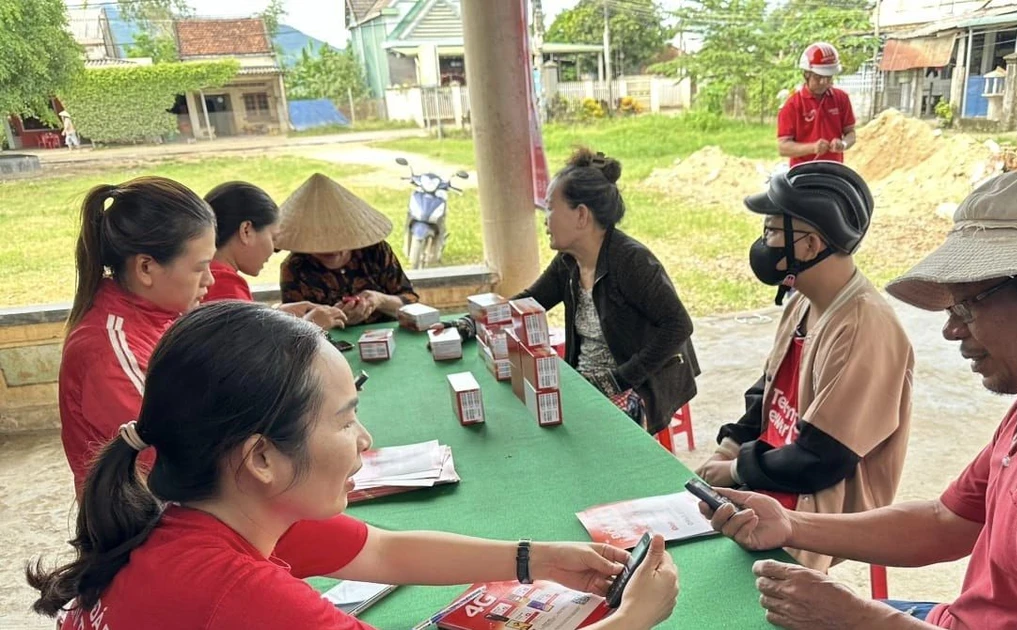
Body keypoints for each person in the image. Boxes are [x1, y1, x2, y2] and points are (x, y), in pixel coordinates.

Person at [701, 166, 1017, 629]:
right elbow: (947, 522)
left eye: (969, 304)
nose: (950, 329)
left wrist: (861, 620)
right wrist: (789, 524)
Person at [28, 301, 679, 630]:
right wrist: (629, 621)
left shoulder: (210, 506)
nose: (365, 441)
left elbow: (387, 555)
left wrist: (536, 558)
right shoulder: (233, 588)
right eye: (343, 420)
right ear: (259, 457)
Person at [694, 161, 913, 572]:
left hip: (813, 506)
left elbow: (821, 461)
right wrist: (728, 447)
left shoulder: (864, 327)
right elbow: (768, 390)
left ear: (811, 245)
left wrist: (736, 470)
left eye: (773, 231)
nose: (764, 243)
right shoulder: (802, 300)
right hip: (772, 478)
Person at [444, 148, 699, 434]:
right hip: (586, 380)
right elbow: (530, 300)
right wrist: (473, 320)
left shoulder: (631, 261)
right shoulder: (569, 262)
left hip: (637, 386)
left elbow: (679, 325)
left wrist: (619, 380)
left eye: (551, 207)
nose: (545, 219)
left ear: (581, 216)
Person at [58, 176, 216, 494]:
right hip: (148, 526)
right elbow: (171, 463)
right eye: (200, 268)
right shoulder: (108, 350)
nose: (210, 280)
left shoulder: (161, 319)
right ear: (146, 268)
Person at [277, 173, 419, 326]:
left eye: (340, 242)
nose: (333, 251)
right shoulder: (295, 268)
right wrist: (332, 318)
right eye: (321, 245)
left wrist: (380, 300)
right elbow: (295, 328)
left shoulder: (375, 251)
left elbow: (411, 303)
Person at [203, 181, 347, 330]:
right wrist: (310, 327)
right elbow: (248, 351)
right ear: (246, 230)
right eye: (273, 237)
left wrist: (272, 314)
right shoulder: (224, 285)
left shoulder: (211, 276)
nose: (274, 249)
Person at [777, 43, 857, 168]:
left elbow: (851, 133)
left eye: (828, 77)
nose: (824, 82)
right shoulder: (792, 104)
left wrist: (843, 144)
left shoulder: (841, 98)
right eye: (818, 77)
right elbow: (783, 148)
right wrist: (812, 148)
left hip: (834, 169)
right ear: (806, 74)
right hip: (802, 172)